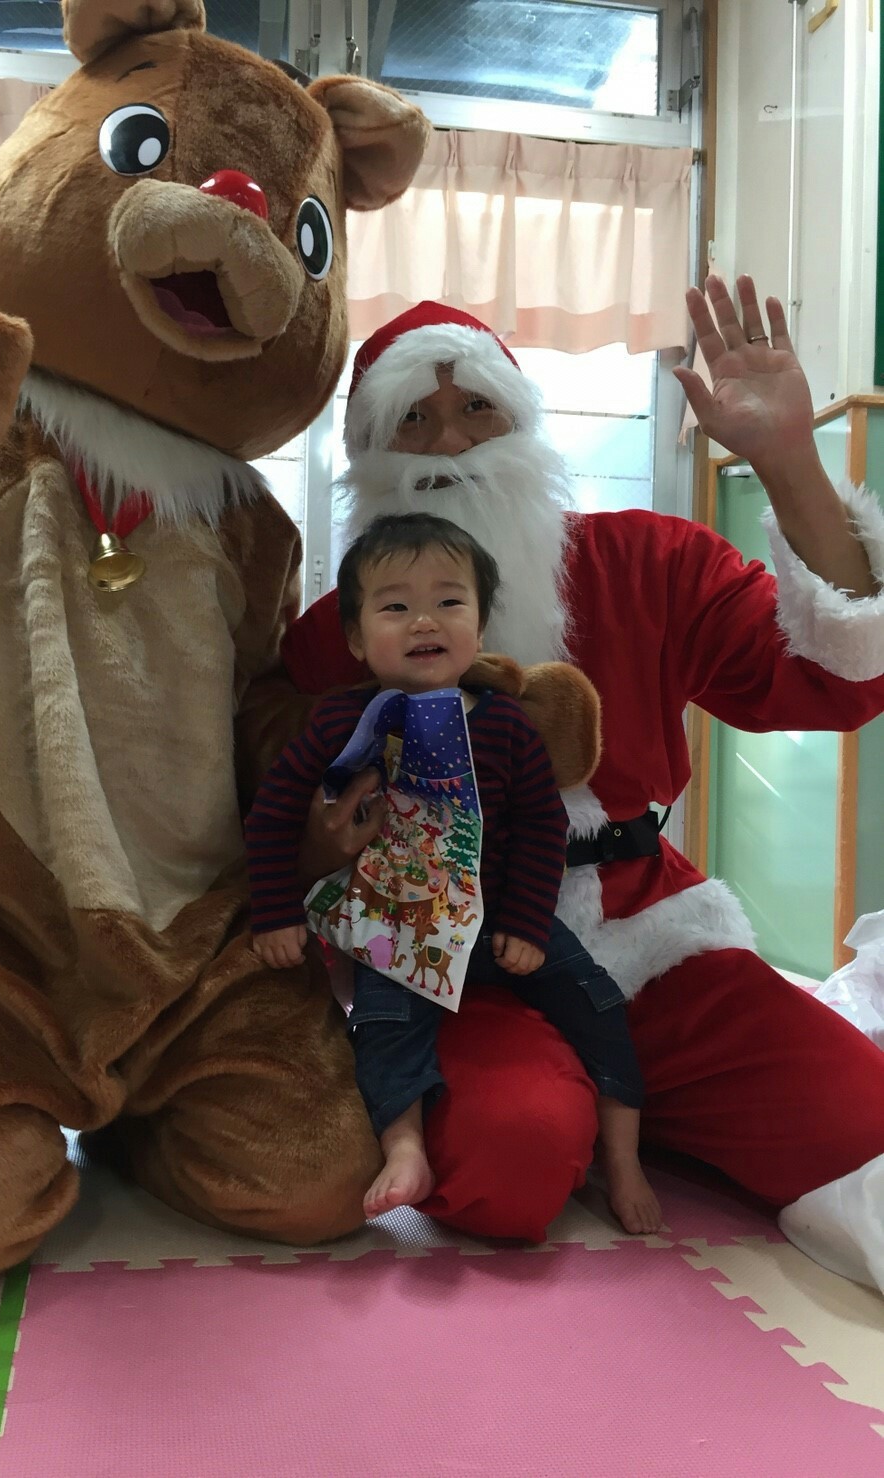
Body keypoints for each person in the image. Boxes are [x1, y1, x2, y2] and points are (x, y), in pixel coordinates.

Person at [280, 278, 884, 1294]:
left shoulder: (647, 561)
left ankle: (644, 1112)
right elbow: (272, 824)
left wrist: (786, 461)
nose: (449, 443)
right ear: (368, 455)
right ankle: (599, 1116)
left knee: (862, 1122)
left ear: (524, 424)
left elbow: (838, 678)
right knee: (509, 1169)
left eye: (477, 407)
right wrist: (322, 848)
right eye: (412, 418)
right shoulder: (330, 639)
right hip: (462, 961)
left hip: (654, 933)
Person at [245, 513, 661, 1232]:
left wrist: (528, 924)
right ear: (356, 639)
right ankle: (404, 1148)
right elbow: (273, 812)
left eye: (448, 601)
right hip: (401, 924)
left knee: (600, 1006)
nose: (424, 621)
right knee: (383, 1027)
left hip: (505, 924)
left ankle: (623, 1159)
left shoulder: (505, 724)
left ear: (480, 626)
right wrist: (275, 910)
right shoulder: (342, 723)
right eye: (395, 606)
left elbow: (543, 827)